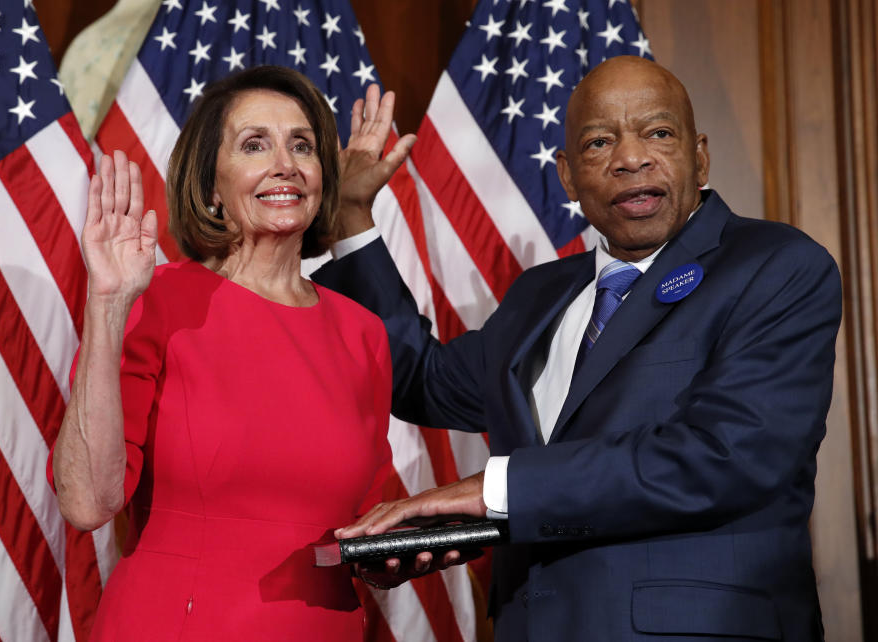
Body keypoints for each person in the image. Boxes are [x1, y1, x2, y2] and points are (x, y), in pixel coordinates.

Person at [315, 56, 841, 641]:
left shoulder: (775, 266)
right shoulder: (541, 295)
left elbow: (725, 455)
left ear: (700, 155)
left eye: (659, 133)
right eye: (598, 142)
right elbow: (423, 381)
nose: (630, 158)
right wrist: (350, 219)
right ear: (567, 175)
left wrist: (495, 489)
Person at [50, 66, 413, 640]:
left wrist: (408, 549)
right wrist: (107, 305)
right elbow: (88, 502)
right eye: (254, 145)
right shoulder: (157, 299)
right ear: (212, 185)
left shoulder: (363, 333)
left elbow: (372, 522)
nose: (285, 164)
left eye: (302, 145)